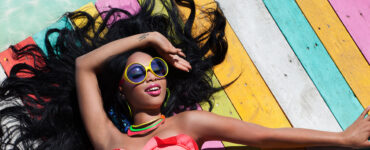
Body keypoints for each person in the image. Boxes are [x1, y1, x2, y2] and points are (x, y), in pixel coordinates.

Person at [0, 0, 369, 149]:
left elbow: (265, 136)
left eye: (157, 67)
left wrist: (342, 140)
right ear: (121, 92)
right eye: (138, 72)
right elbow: (85, 66)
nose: (152, 75)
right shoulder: (110, 141)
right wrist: (150, 38)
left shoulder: (188, 123)